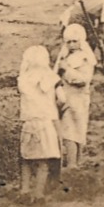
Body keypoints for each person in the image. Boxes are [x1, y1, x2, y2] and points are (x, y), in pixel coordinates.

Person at [16, 45, 61, 199]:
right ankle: (38, 193)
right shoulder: (51, 78)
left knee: (26, 159)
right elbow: (62, 98)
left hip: (28, 122)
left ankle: (25, 190)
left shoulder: (23, 79)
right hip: (45, 123)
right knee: (43, 161)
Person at [55, 24, 97, 168]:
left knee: (73, 131)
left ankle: (74, 163)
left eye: (75, 41)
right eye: (69, 42)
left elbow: (83, 80)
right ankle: (73, 162)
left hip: (78, 97)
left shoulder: (85, 58)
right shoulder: (64, 56)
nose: (72, 45)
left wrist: (66, 70)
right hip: (66, 97)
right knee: (69, 130)